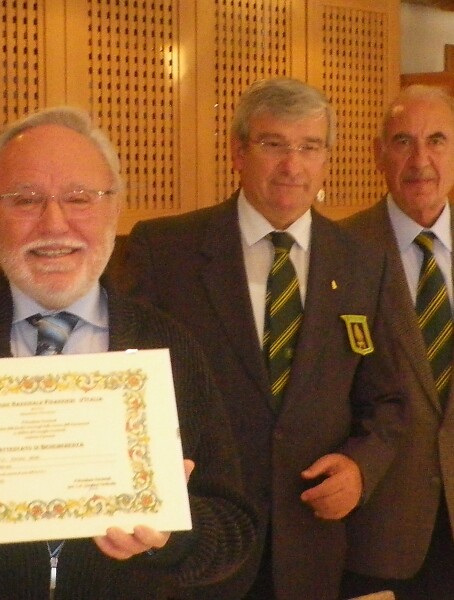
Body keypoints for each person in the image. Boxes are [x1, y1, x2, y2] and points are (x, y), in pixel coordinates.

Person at [0, 106, 257, 599]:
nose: (54, 224)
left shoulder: (171, 348)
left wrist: (173, 534)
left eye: (79, 198)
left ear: (114, 208)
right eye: (25, 200)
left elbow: (235, 533)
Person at [120, 78, 405, 600]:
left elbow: (388, 398)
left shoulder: (365, 263)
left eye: (310, 147)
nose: (292, 165)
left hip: (311, 543)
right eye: (273, 144)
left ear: (327, 158)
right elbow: (129, 388)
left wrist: (361, 468)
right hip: (198, 538)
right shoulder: (166, 251)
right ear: (238, 152)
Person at [340, 85, 454, 599]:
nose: (420, 160)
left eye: (437, 140)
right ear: (378, 153)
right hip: (376, 532)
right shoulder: (339, 253)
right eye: (403, 141)